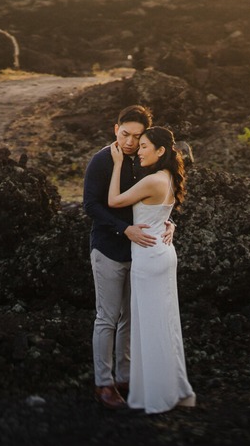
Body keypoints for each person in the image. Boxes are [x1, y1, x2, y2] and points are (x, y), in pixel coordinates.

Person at [81, 105, 174, 410]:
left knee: (130, 319)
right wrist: (125, 230)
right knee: (107, 318)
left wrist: (169, 222)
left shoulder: (146, 161)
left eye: (137, 136)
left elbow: (158, 197)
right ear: (115, 129)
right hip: (108, 249)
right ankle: (104, 384)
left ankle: (124, 377)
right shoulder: (101, 161)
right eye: (125, 134)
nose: (131, 142)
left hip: (141, 253)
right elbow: (91, 206)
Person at [107, 126, 196, 414]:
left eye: (144, 146)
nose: (139, 150)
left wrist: (118, 164)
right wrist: (171, 223)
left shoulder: (153, 180)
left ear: (160, 151)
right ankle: (176, 389)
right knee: (165, 325)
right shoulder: (167, 177)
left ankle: (159, 395)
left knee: (152, 327)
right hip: (163, 254)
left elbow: (114, 201)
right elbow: (161, 213)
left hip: (149, 259)